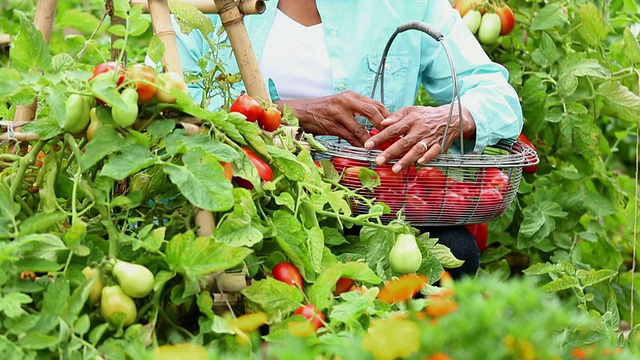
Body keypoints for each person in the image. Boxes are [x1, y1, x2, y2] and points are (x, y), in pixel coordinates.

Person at [171, 0, 523, 278]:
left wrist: (448, 119)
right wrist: (290, 113)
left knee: (455, 251)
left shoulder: (409, 4)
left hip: (371, 208)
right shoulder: (207, 7)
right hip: (252, 198)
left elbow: (497, 95)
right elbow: (171, 99)